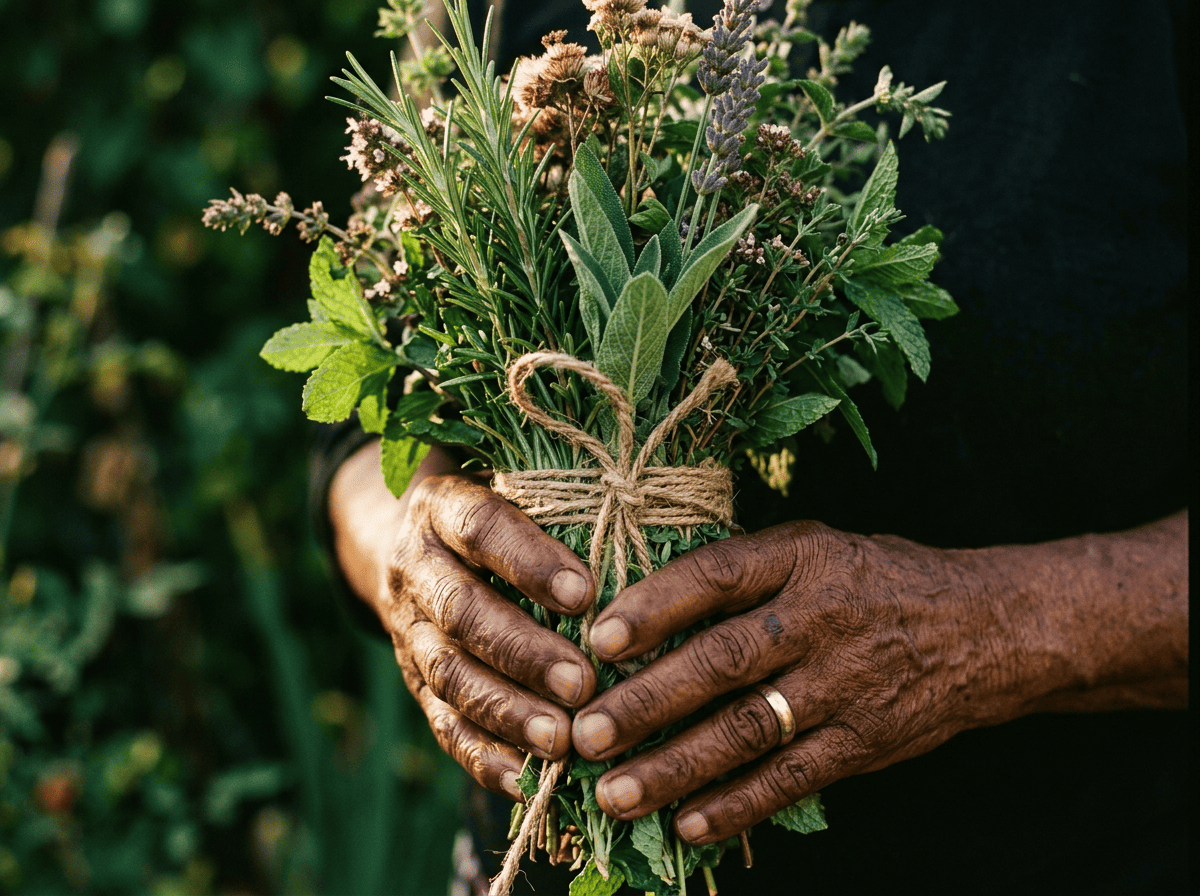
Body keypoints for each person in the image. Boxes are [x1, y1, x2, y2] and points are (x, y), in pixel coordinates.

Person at [315, 0, 1189, 892]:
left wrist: (990, 630)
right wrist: (407, 553)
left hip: (1063, 845)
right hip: (545, 853)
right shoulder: (478, 16)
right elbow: (382, 393)